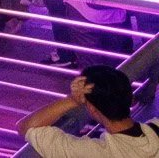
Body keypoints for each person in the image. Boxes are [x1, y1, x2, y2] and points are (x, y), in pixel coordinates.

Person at [17, 67, 159, 157]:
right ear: (130, 99)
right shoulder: (156, 129)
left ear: (92, 108)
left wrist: (73, 100)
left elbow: (26, 126)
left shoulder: (92, 152)